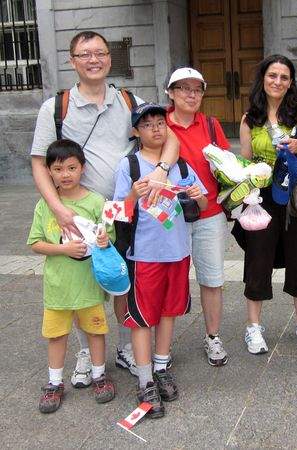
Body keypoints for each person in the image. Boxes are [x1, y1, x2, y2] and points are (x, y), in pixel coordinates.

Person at [30, 31, 179, 384]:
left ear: (110, 59)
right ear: (72, 61)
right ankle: (86, 351)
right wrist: (58, 209)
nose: (93, 59)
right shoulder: (56, 108)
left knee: (124, 280)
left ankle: (127, 346)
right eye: (84, 54)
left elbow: (168, 135)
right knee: (84, 284)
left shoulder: (129, 101)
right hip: (80, 212)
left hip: (124, 210)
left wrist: (161, 170)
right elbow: (38, 162)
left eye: (99, 52)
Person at [114, 103, 208, 418]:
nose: (155, 129)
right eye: (147, 124)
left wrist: (197, 194)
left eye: (160, 123)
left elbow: (204, 201)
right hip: (144, 255)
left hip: (178, 253)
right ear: (136, 132)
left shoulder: (180, 167)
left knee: (169, 312)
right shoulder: (129, 166)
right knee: (143, 317)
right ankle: (144, 380)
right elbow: (115, 213)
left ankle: (162, 365)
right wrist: (131, 196)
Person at [235, 54, 297, 354]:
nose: (277, 82)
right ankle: (254, 326)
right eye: (272, 75)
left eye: (284, 77)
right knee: (258, 259)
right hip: (263, 197)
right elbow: (246, 160)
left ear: (291, 83)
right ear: (263, 78)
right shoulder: (251, 118)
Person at [28, 139, 116, 413]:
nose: (65, 174)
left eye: (71, 167)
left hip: (88, 285)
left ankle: (99, 376)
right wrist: (63, 248)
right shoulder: (46, 205)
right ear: (49, 172)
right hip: (58, 288)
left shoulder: (95, 201)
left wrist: (103, 240)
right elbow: (35, 243)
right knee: (56, 335)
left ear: (83, 168)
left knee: (95, 330)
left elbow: (109, 237)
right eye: (58, 169)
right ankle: (54, 383)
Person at [165, 68, 231, 366]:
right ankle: (162, 344)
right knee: (168, 279)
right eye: (184, 89)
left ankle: (213, 337)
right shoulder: (158, 124)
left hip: (210, 212)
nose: (191, 95)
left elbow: (228, 165)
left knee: (212, 278)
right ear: (171, 92)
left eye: (197, 89)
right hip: (169, 216)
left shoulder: (212, 125)